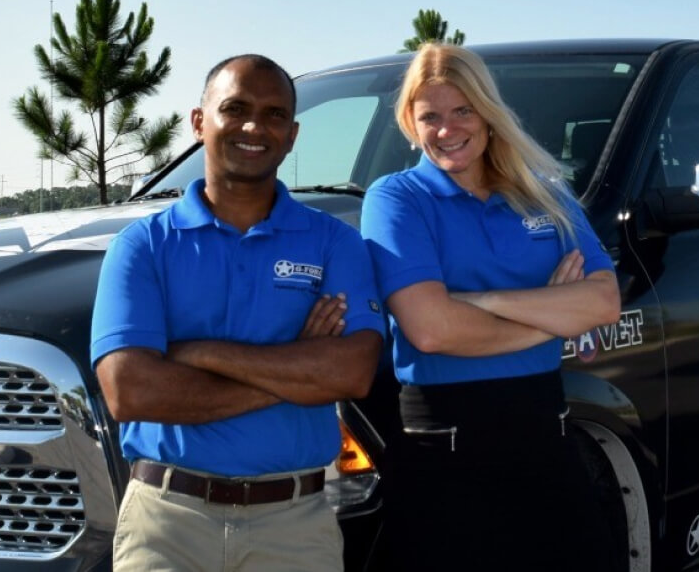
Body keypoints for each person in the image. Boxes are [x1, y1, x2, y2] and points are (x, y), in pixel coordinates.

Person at [91, 54, 384, 572]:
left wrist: (200, 354)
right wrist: (298, 367)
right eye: (235, 108)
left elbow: (352, 372)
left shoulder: (335, 242)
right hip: (166, 523)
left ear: (292, 135)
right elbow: (130, 391)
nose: (255, 126)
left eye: (274, 115)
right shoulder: (143, 246)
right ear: (200, 121)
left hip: (295, 527)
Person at [361, 43, 623, 570]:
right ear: (410, 123)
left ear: (488, 113)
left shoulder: (544, 194)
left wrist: (485, 300)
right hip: (444, 453)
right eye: (429, 116)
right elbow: (431, 329)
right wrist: (550, 314)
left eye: (463, 110)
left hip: (547, 441)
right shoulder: (397, 198)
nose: (447, 129)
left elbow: (602, 302)